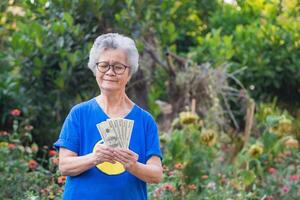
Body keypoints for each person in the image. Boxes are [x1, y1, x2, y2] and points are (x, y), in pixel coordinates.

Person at [54, 33, 163, 199]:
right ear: (95, 69)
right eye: (104, 65)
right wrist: (94, 157)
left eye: (118, 67)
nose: (110, 72)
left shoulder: (145, 121)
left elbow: (156, 174)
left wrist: (133, 166)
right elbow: (64, 166)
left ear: (130, 73)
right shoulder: (79, 114)